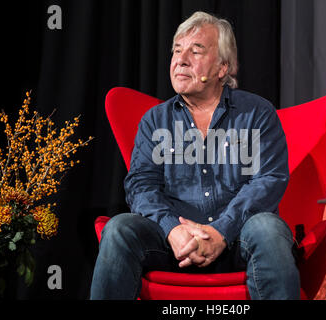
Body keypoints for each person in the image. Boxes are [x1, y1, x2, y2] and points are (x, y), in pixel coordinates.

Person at [90, 11, 300, 300]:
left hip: (239, 238)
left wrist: (220, 232)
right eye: (177, 51)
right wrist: (172, 230)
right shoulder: (155, 121)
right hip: (172, 243)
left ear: (222, 68)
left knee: (268, 229)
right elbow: (141, 186)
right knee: (119, 229)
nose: (181, 59)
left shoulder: (257, 113)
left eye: (196, 50)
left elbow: (269, 179)